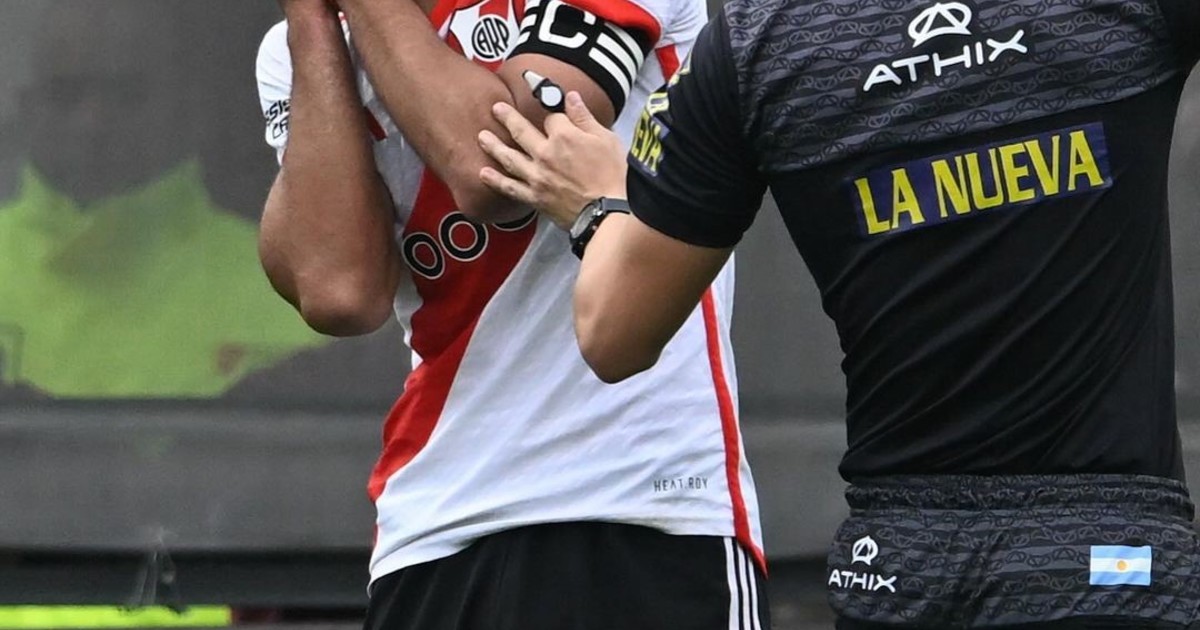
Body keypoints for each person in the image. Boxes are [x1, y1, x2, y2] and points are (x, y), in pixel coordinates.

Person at [477, 0, 1200, 627]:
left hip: (901, 569)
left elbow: (613, 334)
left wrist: (600, 206)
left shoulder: (754, 46)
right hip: (1110, 560)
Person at [255, 0, 766, 628]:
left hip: (638, 500)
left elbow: (494, 167)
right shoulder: (302, 46)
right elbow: (338, 290)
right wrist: (310, 23)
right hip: (432, 527)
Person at [0, 0, 325, 400]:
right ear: (26, 108)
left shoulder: (289, 291)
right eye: (66, 94)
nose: (92, 122)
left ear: (184, 110)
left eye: (126, 94)